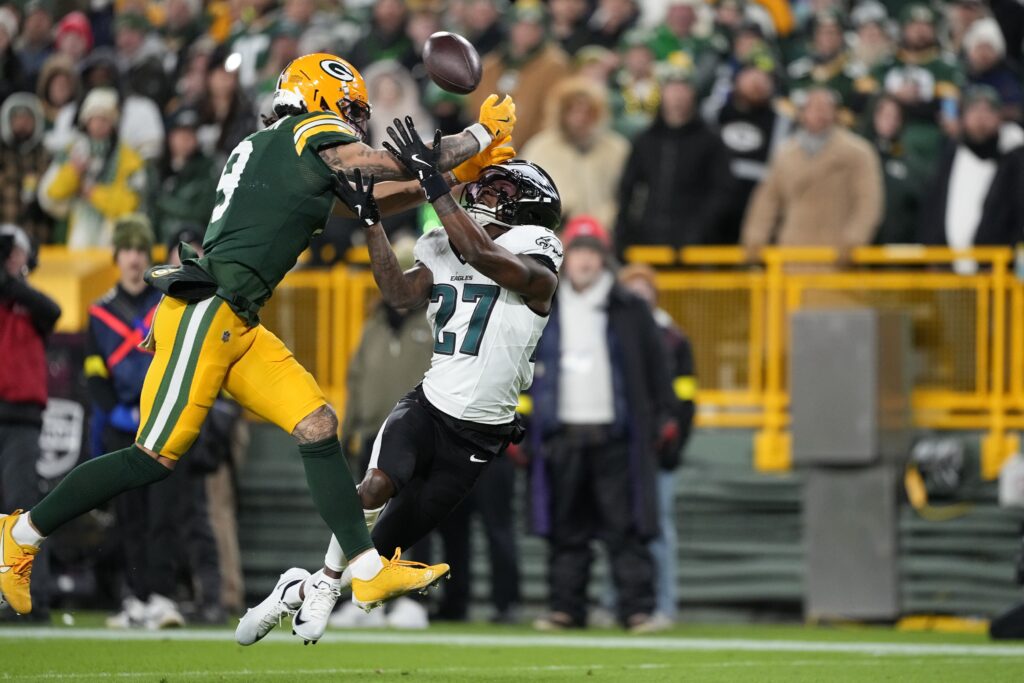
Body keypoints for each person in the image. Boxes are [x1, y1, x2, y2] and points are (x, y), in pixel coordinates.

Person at [0, 52, 517, 618]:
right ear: (319, 97)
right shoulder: (306, 133)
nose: (355, 119)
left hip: (237, 318)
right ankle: (20, 534)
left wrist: (453, 175)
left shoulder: (283, 148)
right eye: (349, 107)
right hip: (209, 308)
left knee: (317, 422)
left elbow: (379, 195)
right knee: (150, 457)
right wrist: (477, 136)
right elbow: (389, 164)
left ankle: (366, 570)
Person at [237, 139, 562, 645]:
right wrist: (372, 224)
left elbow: (484, 254)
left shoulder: (536, 253)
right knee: (373, 490)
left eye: (500, 189)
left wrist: (435, 182)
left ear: (531, 207)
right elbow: (398, 293)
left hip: (479, 437)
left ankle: (299, 589)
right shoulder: (443, 245)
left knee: (378, 549)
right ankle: (319, 586)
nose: (485, 191)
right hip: (428, 407)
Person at [526, 219, 678, 632]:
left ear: (604, 258)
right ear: (565, 258)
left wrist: (663, 420)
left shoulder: (631, 308)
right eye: (578, 251)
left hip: (616, 436)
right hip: (564, 434)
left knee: (625, 528)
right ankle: (566, 608)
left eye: (592, 252)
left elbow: (657, 371)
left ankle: (636, 610)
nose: (585, 260)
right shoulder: (545, 307)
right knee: (566, 531)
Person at [84, 215, 184, 630]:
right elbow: (93, 372)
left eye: (140, 250)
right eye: (126, 250)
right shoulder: (99, 312)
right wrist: (114, 410)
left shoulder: (168, 303)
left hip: (164, 423)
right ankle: (133, 597)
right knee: (128, 517)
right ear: (116, 256)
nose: (133, 258)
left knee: (164, 514)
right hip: (122, 427)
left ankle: (161, 595)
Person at [618, 262, 696, 628]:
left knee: (659, 529)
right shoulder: (609, 333)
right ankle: (616, 604)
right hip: (618, 448)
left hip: (655, 452)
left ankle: (664, 605)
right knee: (616, 528)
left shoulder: (674, 339)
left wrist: (672, 446)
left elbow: (685, 402)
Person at [741, 88, 883, 262]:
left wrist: (854, 240)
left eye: (825, 107)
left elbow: (868, 201)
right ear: (802, 113)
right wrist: (755, 239)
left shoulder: (857, 152)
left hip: (837, 255)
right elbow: (767, 200)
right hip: (792, 253)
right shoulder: (785, 154)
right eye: (813, 107)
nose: (819, 113)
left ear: (836, 113)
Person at [0, 224, 60, 622]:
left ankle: (33, 595)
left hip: (20, 417)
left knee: (22, 508)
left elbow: (52, 312)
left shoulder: (26, 299)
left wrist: (7, 277)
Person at [615, 69, 733, 251]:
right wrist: (626, 231)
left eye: (683, 89)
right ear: (662, 93)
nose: (677, 95)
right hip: (648, 239)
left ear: (692, 94)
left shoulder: (710, 140)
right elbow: (628, 188)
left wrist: (700, 229)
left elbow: (722, 191)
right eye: (672, 89)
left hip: (696, 244)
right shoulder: (646, 140)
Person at [917, 86, 1024, 261]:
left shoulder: (1015, 158)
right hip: (950, 270)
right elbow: (933, 208)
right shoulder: (950, 155)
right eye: (974, 111)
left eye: (988, 111)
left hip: (999, 271)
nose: (981, 119)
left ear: (999, 118)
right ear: (963, 118)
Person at [38, 87, 148, 248]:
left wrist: (92, 193)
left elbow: (130, 204)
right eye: (94, 118)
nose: (99, 124)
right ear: (85, 121)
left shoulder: (129, 158)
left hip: (114, 243)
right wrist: (73, 173)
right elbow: (50, 195)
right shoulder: (72, 152)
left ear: (113, 123)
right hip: (76, 239)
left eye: (105, 119)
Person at [521, 77, 630, 230]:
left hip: (605, 232)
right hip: (555, 232)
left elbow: (628, 195)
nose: (580, 118)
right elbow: (526, 194)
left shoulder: (616, 149)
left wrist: (606, 218)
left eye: (588, 112)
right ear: (561, 114)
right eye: (573, 110)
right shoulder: (540, 148)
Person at [709, 58, 793, 244]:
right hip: (713, 205)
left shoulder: (782, 122)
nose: (757, 83)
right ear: (737, 79)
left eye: (764, 78)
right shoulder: (714, 114)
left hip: (760, 204)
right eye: (751, 75)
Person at [469, 2, 570, 148]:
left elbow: (553, 114)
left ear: (543, 31)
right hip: (488, 148)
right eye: (521, 25)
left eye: (534, 27)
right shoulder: (491, 65)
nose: (526, 31)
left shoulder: (555, 66)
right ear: (510, 28)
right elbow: (476, 107)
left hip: (533, 152)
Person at [151, 108, 218, 243]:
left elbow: (202, 211)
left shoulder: (207, 168)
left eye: (191, 134)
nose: (186, 140)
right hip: (160, 246)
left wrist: (163, 202)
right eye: (180, 134)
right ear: (170, 136)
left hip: (194, 244)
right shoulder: (158, 168)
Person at [1, 93, 53, 245]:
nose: (22, 122)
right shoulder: (2, 152)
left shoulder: (45, 154)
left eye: (27, 118)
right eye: (17, 117)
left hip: (37, 234)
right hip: (4, 231)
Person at [962, 17, 1023, 123]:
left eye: (989, 48)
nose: (983, 54)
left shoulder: (1008, 77)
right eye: (979, 48)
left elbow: (1016, 110)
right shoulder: (961, 74)